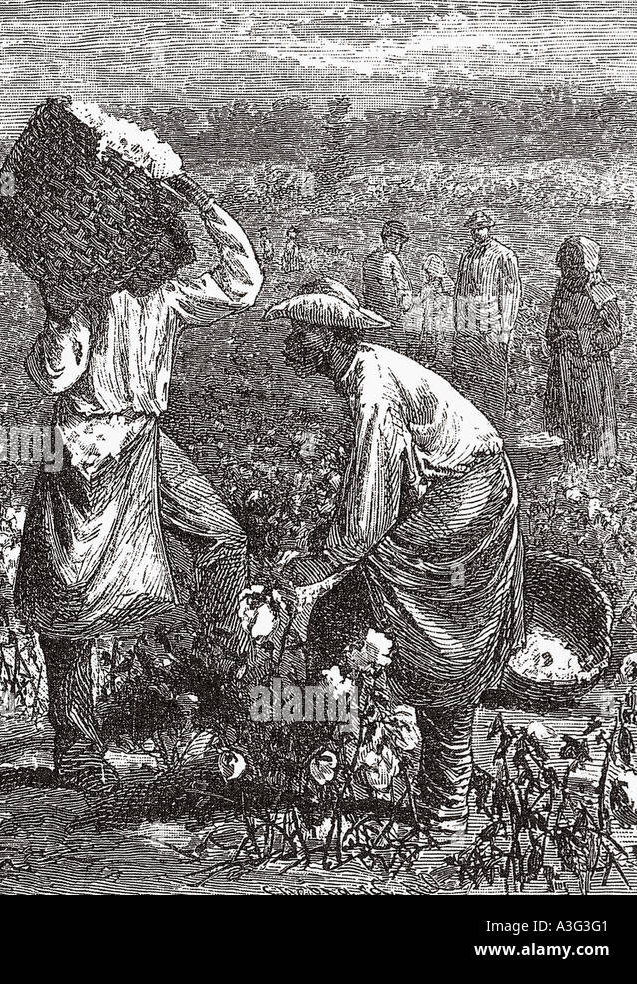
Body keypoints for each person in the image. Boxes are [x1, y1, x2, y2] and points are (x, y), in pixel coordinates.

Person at [14, 175, 263, 788]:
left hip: (142, 441)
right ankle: (78, 745)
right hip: (81, 444)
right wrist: (57, 307)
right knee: (67, 592)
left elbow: (243, 282)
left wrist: (205, 201)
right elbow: (52, 375)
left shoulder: (167, 293)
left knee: (221, 536)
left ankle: (212, 683)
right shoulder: (88, 294)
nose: (170, 250)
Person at [268, 279, 524, 832]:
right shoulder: (366, 374)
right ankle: (350, 763)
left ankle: (441, 795)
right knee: (395, 620)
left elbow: (368, 514)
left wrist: (313, 565)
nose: (292, 341)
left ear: (326, 338)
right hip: (457, 490)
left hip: (466, 498)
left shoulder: (373, 393)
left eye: (301, 332)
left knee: (440, 638)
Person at [544, 236, 623, 464]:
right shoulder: (562, 291)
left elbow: (613, 334)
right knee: (562, 413)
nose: (568, 271)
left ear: (586, 266)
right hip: (563, 366)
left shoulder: (601, 293)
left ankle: (596, 461)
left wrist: (580, 338)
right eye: (566, 266)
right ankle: (567, 458)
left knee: (592, 415)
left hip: (591, 369)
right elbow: (551, 327)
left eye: (574, 265)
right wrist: (556, 338)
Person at [453, 209, 521, 431]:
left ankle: (495, 424)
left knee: (493, 376)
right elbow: (459, 290)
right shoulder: (467, 255)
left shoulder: (504, 255)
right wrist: (458, 321)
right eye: (474, 229)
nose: (477, 233)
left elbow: (511, 292)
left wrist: (506, 329)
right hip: (468, 326)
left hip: (492, 326)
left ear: (489, 229)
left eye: (481, 228)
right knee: (468, 375)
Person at [361, 218, 411, 341]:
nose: (398, 245)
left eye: (399, 242)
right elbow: (403, 288)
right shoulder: (391, 259)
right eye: (395, 241)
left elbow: (365, 288)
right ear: (386, 239)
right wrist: (403, 306)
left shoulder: (369, 259)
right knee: (399, 347)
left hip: (372, 312)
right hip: (391, 313)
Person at [405, 253, 455, 372]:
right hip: (430, 318)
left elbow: (450, 298)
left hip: (442, 318)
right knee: (429, 337)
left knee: (441, 339)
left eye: (430, 272)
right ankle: (430, 359)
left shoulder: (447, 284)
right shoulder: (428, 286)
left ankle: (441, 363)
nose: (428, 275)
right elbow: (419, 299)